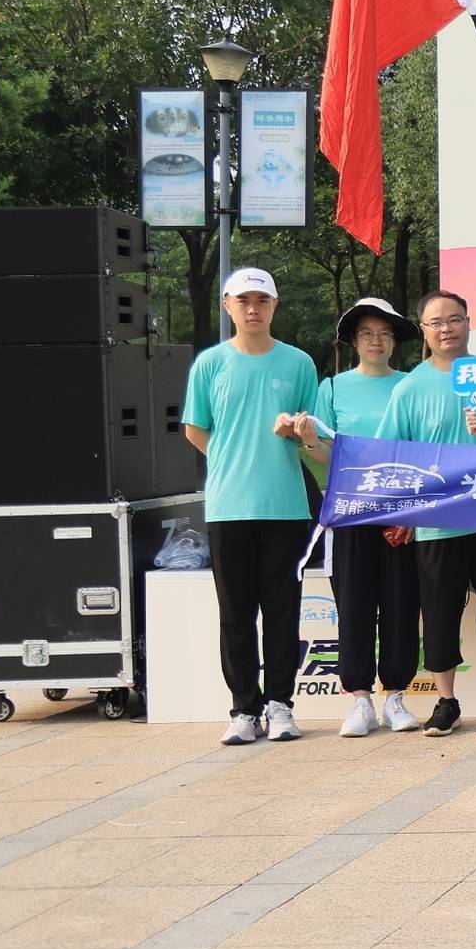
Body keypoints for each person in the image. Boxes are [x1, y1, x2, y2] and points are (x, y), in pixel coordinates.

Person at [374, 290, 476, 735]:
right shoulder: (408, 389)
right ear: (423, 330)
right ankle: (446, 700)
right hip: (437, 522)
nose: (446, 329)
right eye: (436, 322)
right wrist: (401, 511)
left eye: (454, 319)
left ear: (468, 322)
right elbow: (392, 455)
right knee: (439, 613)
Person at [185, 267, 323, 745]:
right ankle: (245, 708)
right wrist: (231, 461)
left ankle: (281, 705)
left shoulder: (299, 363)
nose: (252, 309)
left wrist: (296, 432)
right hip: (229, 507)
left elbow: (311, 431)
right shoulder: (210, 364)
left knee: (283, 611)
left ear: (274, 306)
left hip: (286, 506)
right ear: (228, 306)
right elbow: (195, 428)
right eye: (242, 301)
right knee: (236, 613)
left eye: (261, 301)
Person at [314, 296, 419, 737]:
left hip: (401, 511)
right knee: (354, 605)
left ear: (394, 341)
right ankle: (360, 699)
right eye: (367, 334)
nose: (376, 341)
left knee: (400, 603)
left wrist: (414, 512)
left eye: (385, 333)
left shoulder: (411, 384)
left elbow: (423, 448)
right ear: (353, 341)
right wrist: (306, 440)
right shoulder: (332, 389)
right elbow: (321, 450)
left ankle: (395, 697)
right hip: (351, 511)